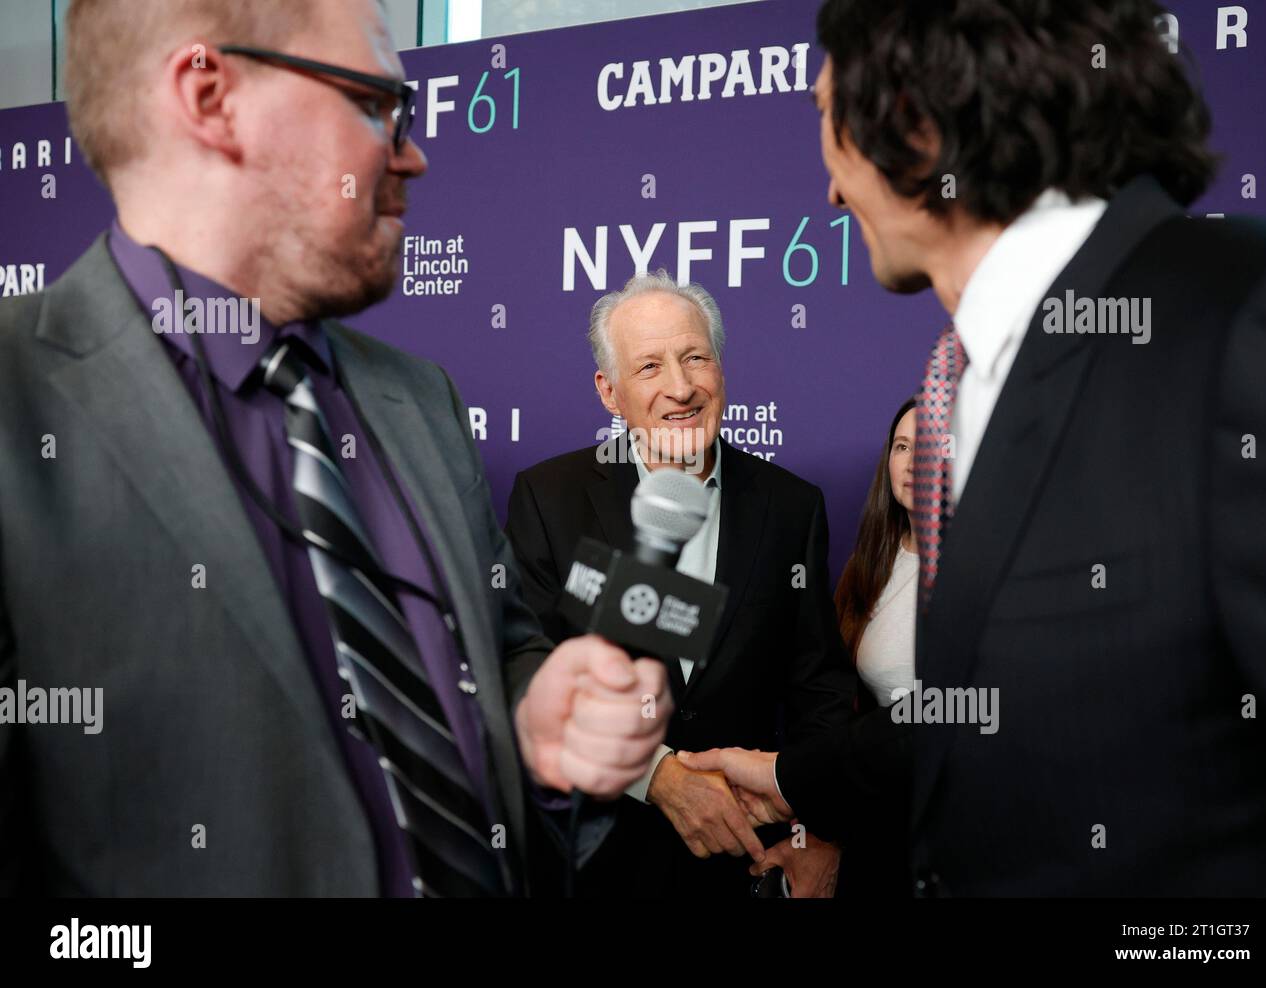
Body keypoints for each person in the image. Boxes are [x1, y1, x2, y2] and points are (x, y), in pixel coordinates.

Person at [0, 0, 671, 896]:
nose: (412, 152)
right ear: (210, 96)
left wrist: (532, 721)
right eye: (373, 104)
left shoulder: (418, 400)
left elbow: (500, 656)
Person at [680, 0, 1266, 896]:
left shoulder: (1256, 321)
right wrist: (787, 777)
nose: (828, 189)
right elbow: (996, 704)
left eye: (827, 119)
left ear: (912, 122)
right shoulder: (967, 382)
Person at [506, 271, 856, 897]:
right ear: (608, 391)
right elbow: (525, 669)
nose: (681, 386)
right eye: (649, 367)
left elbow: (818, 691)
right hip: (595, 860)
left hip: (745, 862)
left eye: (696, 357)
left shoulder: (790, 507)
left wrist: (815, 835)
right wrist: (658, 775)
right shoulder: (548, 499)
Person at [828, 396, 917, 897]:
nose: (914, 460)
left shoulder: (989, 568)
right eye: (903, 445)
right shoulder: (871, 564)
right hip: (879, 814)